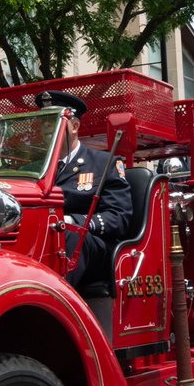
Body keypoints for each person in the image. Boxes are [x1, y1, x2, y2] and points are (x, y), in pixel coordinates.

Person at [36, 90, 132, 292]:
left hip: (90, 248)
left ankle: (52, 302)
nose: (46, 127)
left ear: (75, 126)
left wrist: (72, 222)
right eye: (43, 121)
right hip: (43, 241)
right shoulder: (33, 170)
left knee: (68, 237)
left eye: (54, 120)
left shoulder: (104, 164)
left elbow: (119, 217)